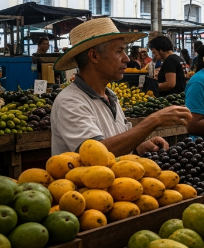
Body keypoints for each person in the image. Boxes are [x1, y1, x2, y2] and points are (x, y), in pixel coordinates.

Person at [51, 18, 191, 155]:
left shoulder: (110, 96)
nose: (127, 59)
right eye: (119, 51)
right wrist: (154, 120)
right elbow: (95, 153)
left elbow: (115, 144)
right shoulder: (70, 101)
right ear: (94, 56)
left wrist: (138, 147)